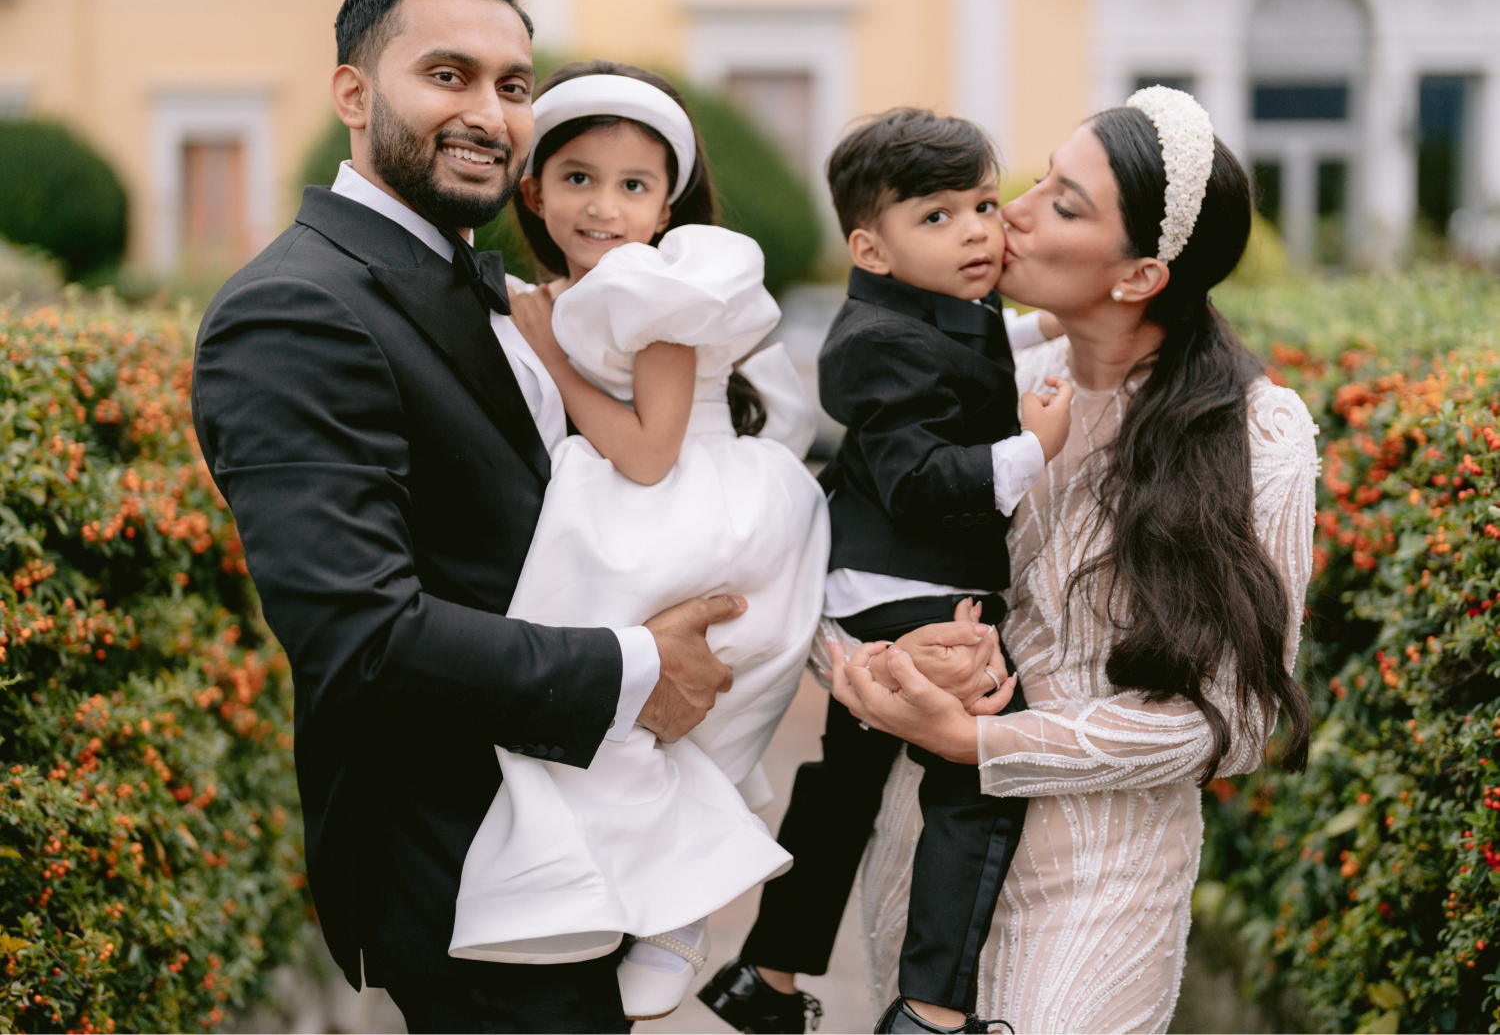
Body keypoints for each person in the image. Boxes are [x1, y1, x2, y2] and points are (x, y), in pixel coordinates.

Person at [191, 0, 745, 1035]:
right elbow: (360, 630)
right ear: (353, 93)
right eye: (448, 74)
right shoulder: (296, 309)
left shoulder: (510, 292)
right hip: (467, 866)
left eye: (513, 84)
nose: (489, 113)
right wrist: (638, 667)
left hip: (573, 844)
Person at [830, 87, 1317, 1035]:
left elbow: (1241, 719)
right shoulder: (976, 382)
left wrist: (983, 743)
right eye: (1044, 175)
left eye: (1062, 201)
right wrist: (890, 666)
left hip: (1101, 883)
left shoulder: (1259, 434)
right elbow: (844, 576)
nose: (1008, 208)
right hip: (926, 855)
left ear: (1136, 276)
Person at [446, 61, 830, 1023]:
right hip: (616, 495)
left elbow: (651, 453)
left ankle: (680, 908)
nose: (603, 207)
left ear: (666, 205)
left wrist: (547, 356)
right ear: (531, 190)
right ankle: (594, 884)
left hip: (676, 500)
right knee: (588, 707)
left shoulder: (657, 290)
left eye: (632, 186)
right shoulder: (553, 291)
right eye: (578, 178)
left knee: (652, 712)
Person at [701, 109, 1070, 1035]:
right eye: (938, 216)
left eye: (984, 204)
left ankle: (768, 979)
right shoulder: (871, 343)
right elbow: (915, 480)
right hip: (901, 587)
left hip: (880, 581)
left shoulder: (941, 306)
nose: (977, 230)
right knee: (981, 765)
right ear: (870, 247)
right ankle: (932, 1013)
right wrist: (1032, 449)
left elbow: (974, 355)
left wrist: (1049, 335)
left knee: (843, 788)